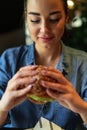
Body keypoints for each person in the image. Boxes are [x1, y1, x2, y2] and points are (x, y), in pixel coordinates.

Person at [0, 0, 87, 129]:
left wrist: (81, 107)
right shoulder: (9, 60)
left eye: (54, 19)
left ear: (66, 18)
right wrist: (3, 107)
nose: (44, 29)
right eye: (35, 20)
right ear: (26, 18)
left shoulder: (83, 64)